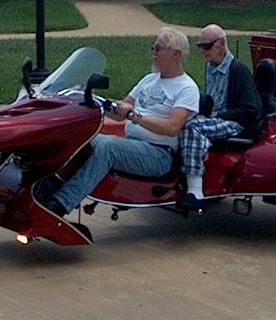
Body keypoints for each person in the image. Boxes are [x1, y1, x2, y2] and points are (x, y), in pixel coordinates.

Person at [37, 26, 201, 217]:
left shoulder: (187, 88)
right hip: (132, 144)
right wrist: (90, 97)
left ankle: (60, 204)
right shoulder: (149, 80)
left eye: (158, 49)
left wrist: (135, 117)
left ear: (176, 54)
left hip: (159, 154)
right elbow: (121, 111)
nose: (153, 53)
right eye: (153, 48)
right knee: (80, 138)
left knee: (109, 147)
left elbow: (173, 128)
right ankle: (47, 186)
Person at [176, 24, 261, 210]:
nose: (202, 51)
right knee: (179, 122)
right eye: (200, 46)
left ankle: (196, 192)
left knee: (191, 128)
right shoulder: (210, 67)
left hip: (234, 123)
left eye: (206, 46)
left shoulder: (238, 71)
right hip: (214, 120)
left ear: (221, 43)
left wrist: (218, 114)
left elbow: (251, 110)